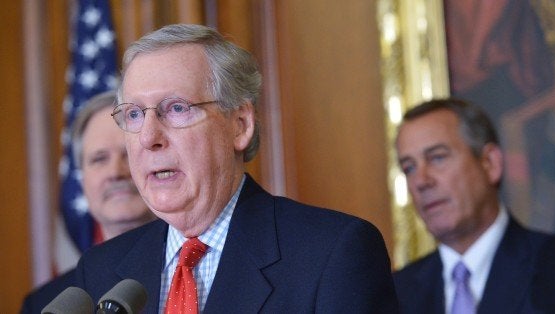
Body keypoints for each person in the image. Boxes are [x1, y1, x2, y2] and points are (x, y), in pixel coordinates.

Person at [73, 24, 398, 313]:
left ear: (240, 125)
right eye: (133, 114)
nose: (148, 138)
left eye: (176, 109)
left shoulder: (332, 254)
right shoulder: (101, 272)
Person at [393, 97, 555, 313]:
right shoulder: (395, 293)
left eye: (438, 157)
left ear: (490, 163)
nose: (421, 181)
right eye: (409, 168)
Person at [21, 91, 156, 313]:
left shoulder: (190, 272)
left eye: (129, 154)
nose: (115, 172)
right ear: (81, 179)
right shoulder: (43, 305)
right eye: (99, 159)